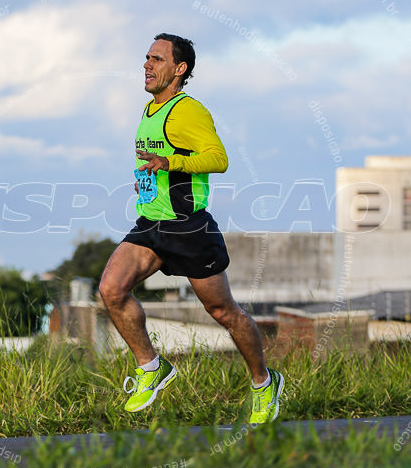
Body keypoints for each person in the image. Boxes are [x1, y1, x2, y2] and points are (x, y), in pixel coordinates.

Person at [98, 33, 284, 424]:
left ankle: (264, 382)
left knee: (223, 312)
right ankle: (152, 368)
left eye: (157, 59)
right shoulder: (150, 111)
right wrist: (149, 179)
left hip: (188, 228)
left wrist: (170, 165)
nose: (147, 65)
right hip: (151, 223)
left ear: (179, 69)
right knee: (111, 290)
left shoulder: (188, 111)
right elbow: (157, 160)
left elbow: (218, 159)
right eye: (146, 58)